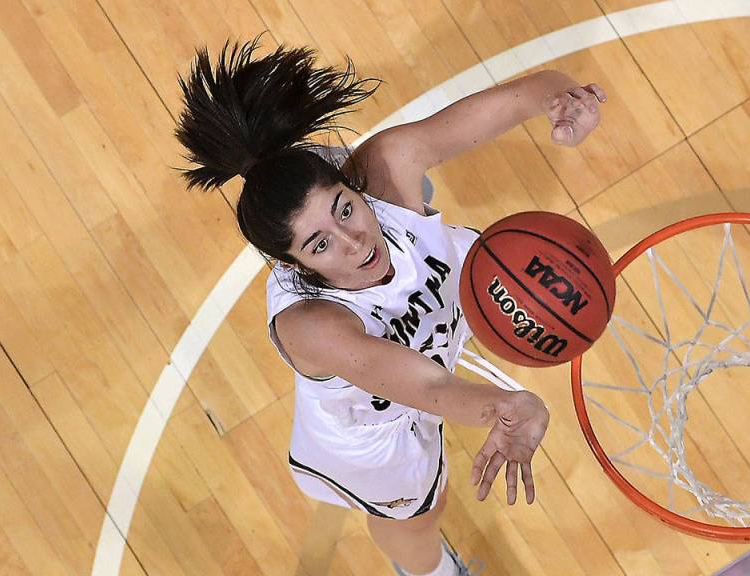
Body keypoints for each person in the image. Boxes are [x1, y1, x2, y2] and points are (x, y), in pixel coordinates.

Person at [175, 38, 605, 576]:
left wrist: (566, 100)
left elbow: (527, 94)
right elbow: (426, 389)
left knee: (441, 222)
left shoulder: (382, 169)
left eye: (345, 210)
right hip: (376, 430)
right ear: (298, 266)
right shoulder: (311, 325)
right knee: (421, 515)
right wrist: (505, 408)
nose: (353, 241)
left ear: (355, 189)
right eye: (320, 244)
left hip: (443, 311)